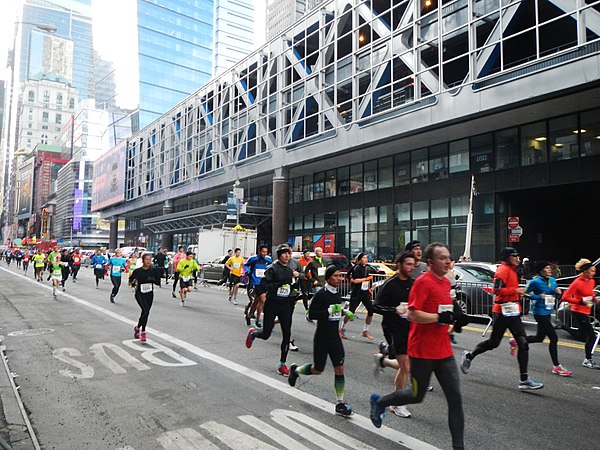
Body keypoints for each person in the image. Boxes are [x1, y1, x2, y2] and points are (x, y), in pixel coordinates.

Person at [370, 243, 464, 450]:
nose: (448, 261)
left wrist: (458, 317)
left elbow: (448, 306)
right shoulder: (422, 283)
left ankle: (459, 447)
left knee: (455, 399)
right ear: (430, 263)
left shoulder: (446, 283)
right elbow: (412, 314)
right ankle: (380, 402)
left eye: (449, 257)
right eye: (442, 258)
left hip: (444, 351)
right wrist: (439, 317)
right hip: (422, 351)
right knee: (416, 395)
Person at [460, 247, 543, 390]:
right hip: (502, 311)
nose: (518, 258)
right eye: (514, 256)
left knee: (523, 343)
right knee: (494, 343)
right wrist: (515, 291)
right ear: (507, 257)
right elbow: (497, 290)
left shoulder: (513, 270)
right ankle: (469, 356)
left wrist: (518, 295)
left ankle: (524, 379)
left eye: (518, 255)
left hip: (514, 310)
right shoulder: (502, 271)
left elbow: (509, 289)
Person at [288, 265, 354, 417]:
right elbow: (311, 314)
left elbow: (336, 308)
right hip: (322, 337)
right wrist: (330, 311)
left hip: (335, 338)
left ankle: (340, 403)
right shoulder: (321, 295)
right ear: (329, 277)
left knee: (340, 368)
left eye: (340, 276)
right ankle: (296, 370)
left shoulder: (337, 294)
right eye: (336, 276)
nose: (339, 278)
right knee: (318, 370)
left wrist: (345, 312)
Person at [372, 251, 415, 418]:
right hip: (393, 328)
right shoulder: (390, 285)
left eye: (413, 264)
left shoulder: (413, 283)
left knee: (405, 366)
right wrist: (394, 310)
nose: (412, 267)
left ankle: (382, 360)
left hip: (410, 328)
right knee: (406, 367)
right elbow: (376, 306)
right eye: (408, 264)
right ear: (399, 265)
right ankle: (397, 404)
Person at [245, 244, 299, 376]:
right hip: (272, 304)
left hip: (285, 304)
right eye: (284, 254)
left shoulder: (290, 269)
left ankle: (282, 364)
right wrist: (279, 284)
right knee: (266, 334)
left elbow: (291, 285)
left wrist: (296, 286)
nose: (287, 256)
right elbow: (263, 286)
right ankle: (254, 334)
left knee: (287, 335)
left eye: (289, 254)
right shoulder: (272, 268)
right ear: (279, 255)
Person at [516, 261, 571, 376]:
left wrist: (558, 293)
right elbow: (525, 293)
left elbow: (555, 295)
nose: (550, 269)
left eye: (550, 268)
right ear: (541, 270)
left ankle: (519, 341)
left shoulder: (552, 281)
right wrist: (537, 296)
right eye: (547, 268)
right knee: (554, 338)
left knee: (539, 338)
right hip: (539, 312)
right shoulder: (535, 282)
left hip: (548, 311)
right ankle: (556, 366)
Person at [562, 259, 600, 369]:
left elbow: (589, 293)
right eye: (592, 271)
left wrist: (594, 298)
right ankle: (588, 360)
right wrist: (580, 301)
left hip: (586, 310)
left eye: (594, 271)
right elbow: (565, 297)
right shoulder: (577, 282)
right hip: (578, 311)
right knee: (591, 336)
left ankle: (562, 326)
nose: (594, 273)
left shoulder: (591, 281)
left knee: (583, 333)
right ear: (585, 271)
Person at [340, 252, 375, 340]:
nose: (366, 259)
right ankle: (342, 328)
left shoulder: (367, 268)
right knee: (351, 312)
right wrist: (366, 279)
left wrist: (369, 288)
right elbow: (355, 281)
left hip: (365, 293)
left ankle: (365, 331)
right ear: (359, 260)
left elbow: (367, 281)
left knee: (371, 310)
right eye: (364, 258)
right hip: (357, 293)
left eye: (366, 258)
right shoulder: (357, 268)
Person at [128, 253, 162, 343]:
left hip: (149, 293)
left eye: (149, 260)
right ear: (142, 260)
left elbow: (158, 282)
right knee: (145, 311)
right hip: (140, 293)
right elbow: (131, 280)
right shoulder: (138, 271)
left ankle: (137, 327)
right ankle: (143, 332)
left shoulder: (153, 270)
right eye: (146, 259)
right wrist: (133, 283)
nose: (148, 261)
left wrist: (153, 280)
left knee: (145, 312)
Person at [243, 245, 272, 327]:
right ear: (259, 251)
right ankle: (258, 320)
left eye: (266, 252)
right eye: (263, 251)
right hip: (255, 282)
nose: (264, 253)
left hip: (264, 282)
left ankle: (248, 316)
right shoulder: (253, 259)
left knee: (256, 301)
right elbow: (245, 265)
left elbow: (272, 267)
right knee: (262, 300)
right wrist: (248, 271)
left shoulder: (268, 259)